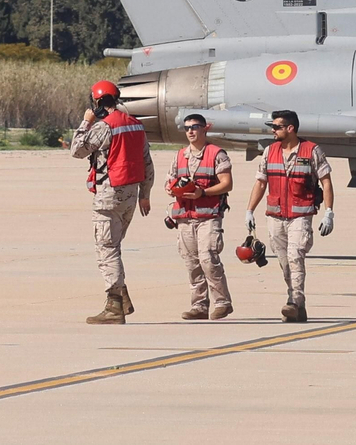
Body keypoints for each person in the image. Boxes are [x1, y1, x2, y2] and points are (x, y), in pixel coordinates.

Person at [70, 79, 153, 325]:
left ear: (96, 102)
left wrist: (86, 121)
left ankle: (114, 304)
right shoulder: (136, 126)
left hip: (108, 196)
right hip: (130, 195)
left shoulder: (104, 127)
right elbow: (147, 163)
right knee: (114, 247)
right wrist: (145, 195)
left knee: (107, 250)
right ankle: (122, 298)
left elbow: (77, 150)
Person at [244, 110, 335, 322]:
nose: (273, 130)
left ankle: (293, 302)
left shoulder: (312, 151)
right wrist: (249, 210)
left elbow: (326, 182)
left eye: (277, 127)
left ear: (290, 128)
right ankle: (298, 305)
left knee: (295, 257)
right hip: (275, 216)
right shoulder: (269, 152)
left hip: (300, 216)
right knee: (285, 263)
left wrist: (329, 212)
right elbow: (260, 182)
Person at [166, 113, 234, 320]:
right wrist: (171, 190)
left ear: (205, 129)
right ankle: (199, 306)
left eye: (195, 127)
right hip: (185, 217)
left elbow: (227, 184)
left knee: (208, 259)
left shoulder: (216, 154)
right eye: (187, 128)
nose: (190, 131)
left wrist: (202, 193)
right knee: (191, 262)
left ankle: (222, 302)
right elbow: (170, 181)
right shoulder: (180, 156)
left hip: (208, 216)